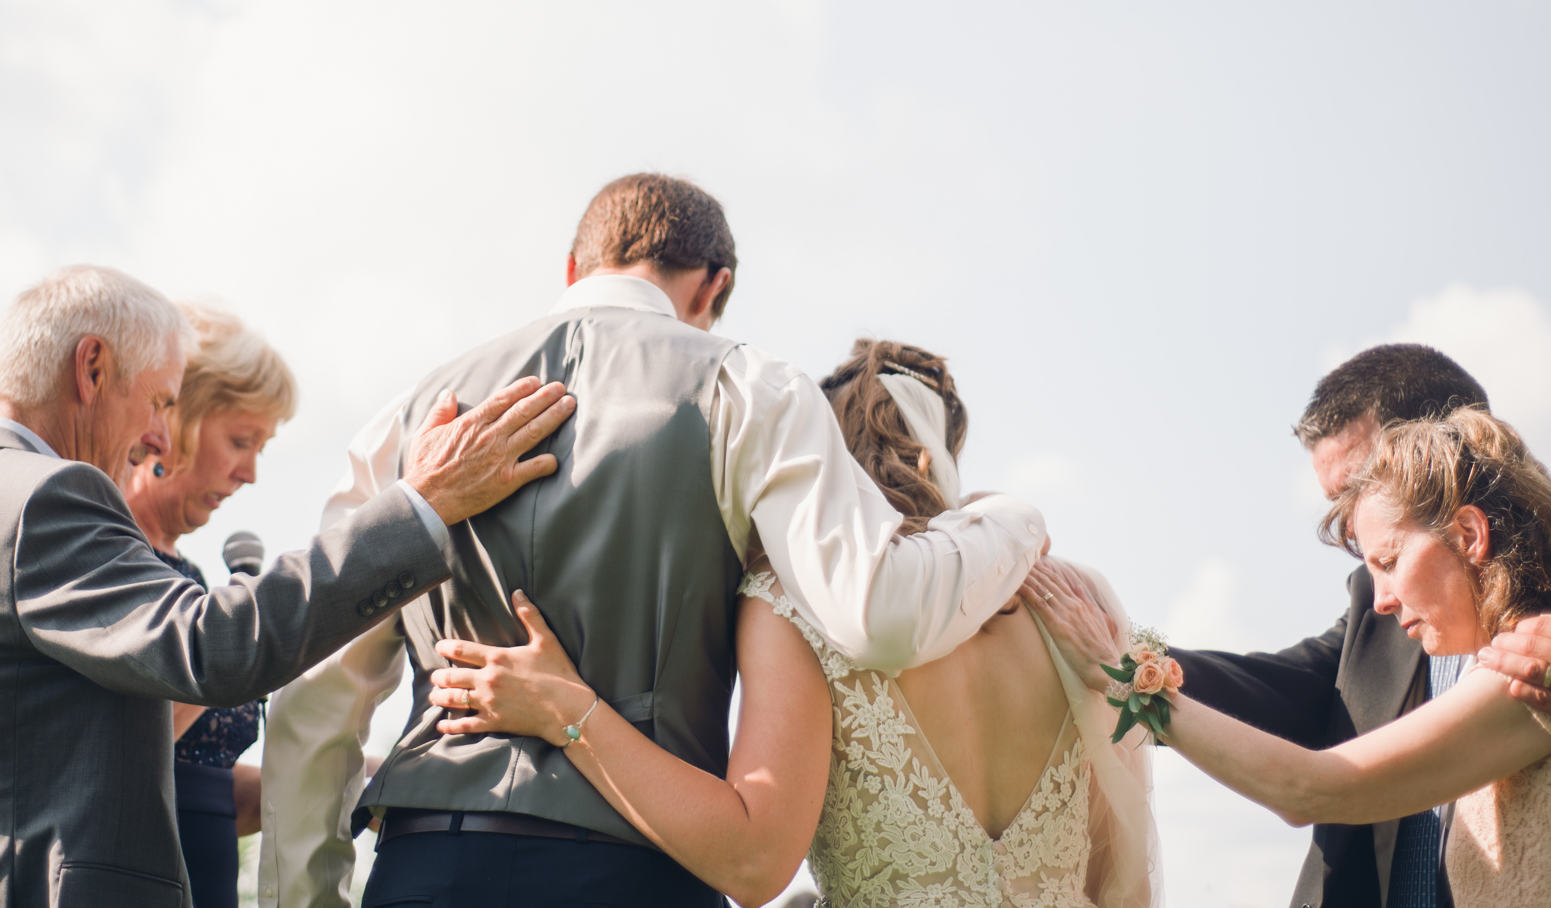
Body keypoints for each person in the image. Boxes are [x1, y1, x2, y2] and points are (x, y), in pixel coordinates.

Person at [258, 175, 1049, 908]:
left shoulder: (408, 412)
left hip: (425, 871)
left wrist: (307, 896)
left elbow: (318, 695)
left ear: (574, 266)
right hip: (634, 873)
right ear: (715, 287)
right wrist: (1014, 522)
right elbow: (879, 612)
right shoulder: (750, 388)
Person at [0, 264, 575, 907]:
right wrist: (420, 506)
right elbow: (216, 648)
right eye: (160, 402)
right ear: (92, 368)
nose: (156, 437)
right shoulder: (45, 499)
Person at [433, 339, 1159, 907]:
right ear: (943, 451)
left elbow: (752, 863)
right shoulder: (1073, 601)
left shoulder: (792, 604)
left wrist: (569, 708)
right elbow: (1116, 874)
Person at [1030, 406, 1551, 907]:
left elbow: (1310, 788)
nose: (1381, 600)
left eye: (1389, 561)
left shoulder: (1524, 674)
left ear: (1469, 534)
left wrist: (1120, 678)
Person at [1164, 343, 1489, 908]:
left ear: (1442, 450)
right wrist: (1128, 659)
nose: (1351, 532)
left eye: (1358, 489)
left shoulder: (1535, 638)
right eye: (1336, 506)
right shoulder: (1380, 600)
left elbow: (1307, 791)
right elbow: (1284, 686)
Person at [121, 303, 298, 908]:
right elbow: (120, 753)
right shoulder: (106, 555)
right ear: (179, 416)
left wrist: (350, 779)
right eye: (240, 440)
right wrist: (230, 646)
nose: (248, 472)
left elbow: (201, 784)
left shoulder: (193, 579)